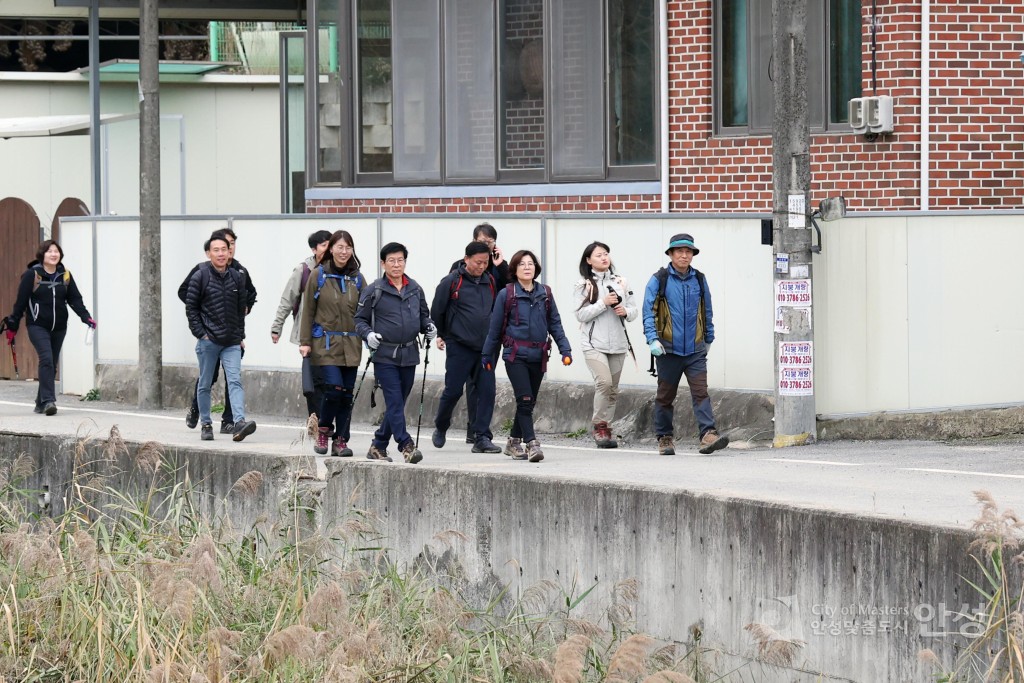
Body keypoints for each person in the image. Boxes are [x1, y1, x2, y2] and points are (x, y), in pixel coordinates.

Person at [642, 233, 729, 456]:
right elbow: (648, 312)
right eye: (679, 251)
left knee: (701, 392)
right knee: (665, 396)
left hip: (695, 350)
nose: (684, 255)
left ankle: (708, 434)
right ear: (670, 254)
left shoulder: (699, 279)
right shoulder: (659, 279)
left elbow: (707, 310)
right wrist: (652, 339)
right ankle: (664, 438)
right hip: (667, 349)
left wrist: (709, 337)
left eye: (688, 251)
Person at [481, 250, 572, 463]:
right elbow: (494, 329)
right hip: (515, 356)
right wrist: (486, 355)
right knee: (524, 399)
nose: (527, 267)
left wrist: (565, 349)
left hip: (539, 355)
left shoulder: (545, 293)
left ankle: (513, 441)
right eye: (522, 264)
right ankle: (532, 443)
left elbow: (555, 323)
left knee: (528, 403)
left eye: (531, 263)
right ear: (515, 268)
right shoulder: (507, 293)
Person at [354, 242, 435, 464]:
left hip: (409, 354)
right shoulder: (374, 290)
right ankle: (406, 445)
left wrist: (429, 327)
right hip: (385, 355)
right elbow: (359, 320)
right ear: (383, 263)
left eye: (400, 260)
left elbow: (423, 316)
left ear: (405, 262)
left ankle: (378, 445)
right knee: (395, 401)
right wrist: (368, 334)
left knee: (398, 402)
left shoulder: (415, 289)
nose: (396, 265)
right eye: (392, 260)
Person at [178, 227, 257, 433]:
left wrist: (240, 335)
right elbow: (190, 305)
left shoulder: (238, 275)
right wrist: (201, 332)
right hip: (209, 340)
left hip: (231, 340)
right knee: (206, 382)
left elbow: (243, 307)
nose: (222, 253)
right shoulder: (200, 274)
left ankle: (238, 421)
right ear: (208, 252)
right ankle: (205, 422)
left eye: (226, 247)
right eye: (217, 249)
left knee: (235, 380)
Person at [5, 240, 96, 415]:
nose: (53, 254)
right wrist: (13, 324)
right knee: (46, 358)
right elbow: (21, 302)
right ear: (42, 255)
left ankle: (40, 402)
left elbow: (75, 299)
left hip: (59, 327)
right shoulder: (32, 275)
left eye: (56, 251)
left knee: (51, 363)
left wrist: (86, 318)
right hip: (37, 325)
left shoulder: (65, 275)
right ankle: (48, 401)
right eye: (49, 251)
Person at [430, 241, 501, 453]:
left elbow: (493, 311)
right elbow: (437, 312)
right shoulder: (452, 281)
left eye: (485, 262)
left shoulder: (489, 280)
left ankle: (482, 437)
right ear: (466, 259)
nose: (481, 266)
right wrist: (445, 335)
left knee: (487, 391)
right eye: (478, 262)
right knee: (453, 391)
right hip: (459, 347)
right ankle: (441, 426)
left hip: (485, 348)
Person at [299, 230, 364, 457]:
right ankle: (324, 430)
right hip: (325, 344)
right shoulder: (318, 275)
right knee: (334, 389)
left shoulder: (357, 278)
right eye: (339, 247)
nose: (344, 252)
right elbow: (307, 311)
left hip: (352, 344)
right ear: (331, 249)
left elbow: (365, 312)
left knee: (347, 394)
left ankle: (341, 441)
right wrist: (305, 342)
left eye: (348, 247)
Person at [448, 222, 510, 444]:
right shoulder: (459, 266)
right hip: (465, 335)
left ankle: (480, 429)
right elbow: (449, 299)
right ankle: (473, 428)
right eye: (482, 241)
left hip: (491, 334)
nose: (486, 246)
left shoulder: (499, 266)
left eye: (490, 242)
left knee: (485, 380)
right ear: (474, 241)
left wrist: (501, 265)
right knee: (470, 382)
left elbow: (512, 289)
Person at [573, 241, 638, 449]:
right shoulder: (583, 285)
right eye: (599, 254)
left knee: (613, 389)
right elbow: (580, 314)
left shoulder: (621, 282)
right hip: (593, 344)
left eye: (606, 254)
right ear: (588, 260)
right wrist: (604, 303)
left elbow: (634, 310)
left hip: (619, 344)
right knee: (604, 383)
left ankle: (606, 428)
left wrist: (625, 312)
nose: (604, 257)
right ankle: (599, 425)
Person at [272, 229, 332, 419]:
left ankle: (327, 421)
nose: (328, 250)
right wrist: (277, 327)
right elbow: (287, 299)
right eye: (324, 246)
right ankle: (315, 421)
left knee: (331, 380)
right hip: (310, 334)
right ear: (314, 249)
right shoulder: (304, 270)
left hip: (333, 335)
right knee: (314, 379)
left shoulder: (337, 270)